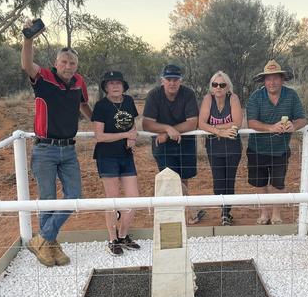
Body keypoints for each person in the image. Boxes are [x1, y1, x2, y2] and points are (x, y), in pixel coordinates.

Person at [20, 20, 92, 266]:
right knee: (48, 198)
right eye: (64, 62)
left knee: (74, 196)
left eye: (72, 63)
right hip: (45, 149)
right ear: (56, 63)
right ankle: (49, 245)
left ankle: (42, 239)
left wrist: (98, 123)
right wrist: (29, 39)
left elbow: (83, 105)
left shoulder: (79, 82)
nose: (68, 66)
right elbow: (27, 64)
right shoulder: (44, 78)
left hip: (68, 150)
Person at [142, 64, 205, 224]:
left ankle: (184, 213)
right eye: (168, 79)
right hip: (162, 145)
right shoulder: (154, 95)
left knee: (183, 179)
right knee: (170, 179)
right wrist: (167, 129)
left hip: (185, 143)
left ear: (180, 81)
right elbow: (147, 124)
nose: (172, 83)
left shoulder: (188, 94)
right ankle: (188, 211)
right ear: (162, 80)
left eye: (175, 79)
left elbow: (192, 123)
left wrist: (168, 133)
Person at [246, 60, 307, 225]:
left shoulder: (291, 95)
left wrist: (293, 126)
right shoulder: (256, 97)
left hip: (280, 149)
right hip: (257, 148)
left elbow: (302, 119)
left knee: (278, 183)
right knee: (260, 183)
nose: (272, 82)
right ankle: (264, 212)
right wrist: (271, 127)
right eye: (268, 79)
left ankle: (276, 213)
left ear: (282, 79)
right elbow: (251, 122)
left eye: (275, 78)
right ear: (264, 81)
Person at [92, 71, 141, 256]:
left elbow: (133, 125)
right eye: (110, 83)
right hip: (107, 156)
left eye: (118, 83)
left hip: (126, 155)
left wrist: (133, 137)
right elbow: (99, 136)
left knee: (133, 198)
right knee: (112, 199)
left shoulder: (128, 101)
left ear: (123, 85)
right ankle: (112, 239)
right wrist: (125, 135)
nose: (114, 86)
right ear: (105, 87)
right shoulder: (101, 106)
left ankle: (123, 235)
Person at [198, 71, 243, 226]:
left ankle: (226, 213)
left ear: (227, 87)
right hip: (213, 146)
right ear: (211, 87)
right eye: (215, 84)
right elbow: (201, 123)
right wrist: (220, 132)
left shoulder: (233, 98)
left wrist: (215, 127)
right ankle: (222, 208)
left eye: (222, 84)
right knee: (218, 182)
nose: (218, 87)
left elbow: (237, 122)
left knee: (229, 180)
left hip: (233, 146)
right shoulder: (207, 99)